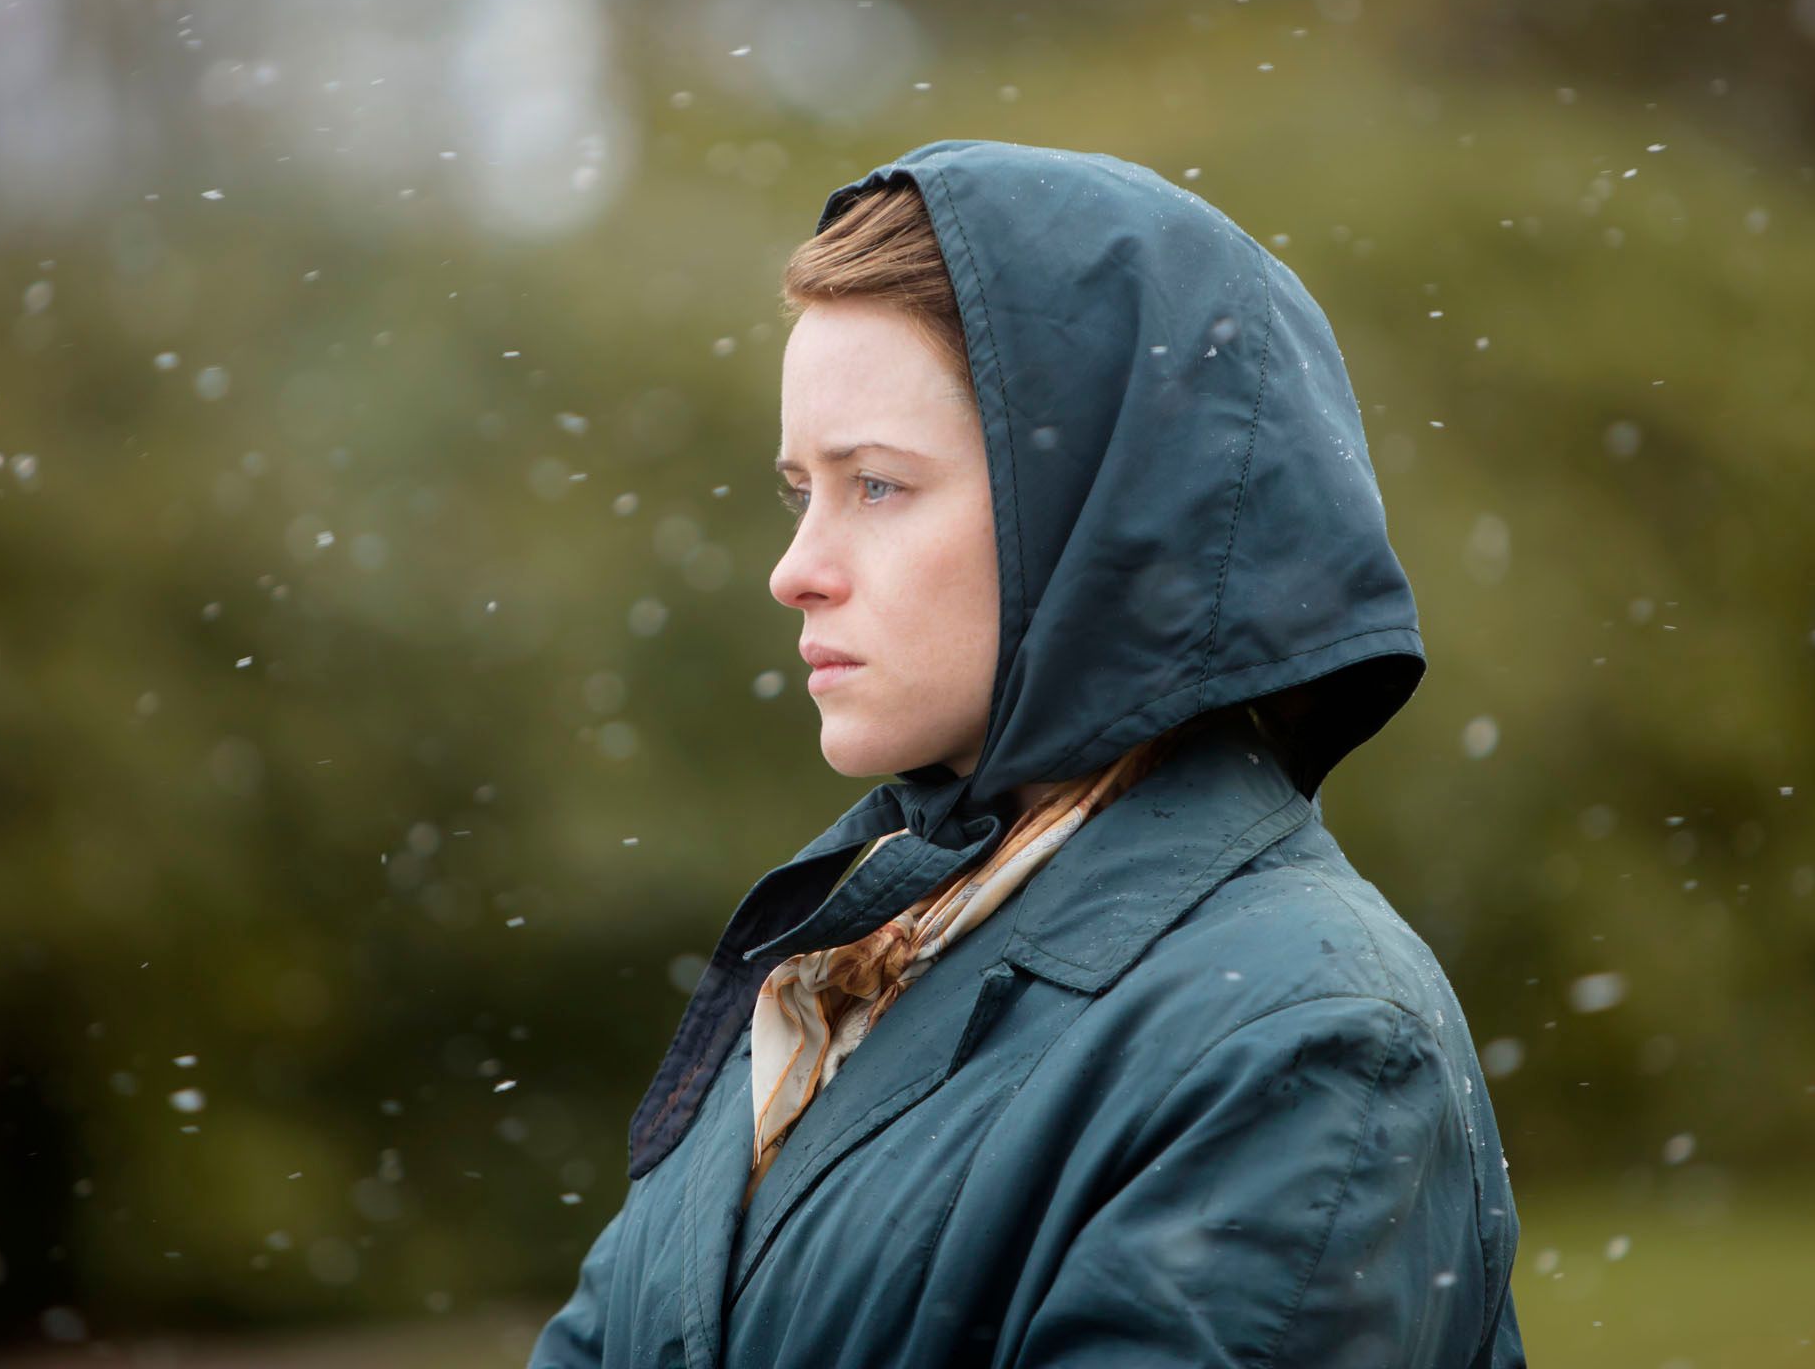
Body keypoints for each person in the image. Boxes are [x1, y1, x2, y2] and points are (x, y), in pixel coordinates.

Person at [530, 140, 1528, 1368]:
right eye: (802, 491)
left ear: (1109, 519)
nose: (795, 570)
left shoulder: (1303, 1037)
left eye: (877, 485)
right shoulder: (846, 964)